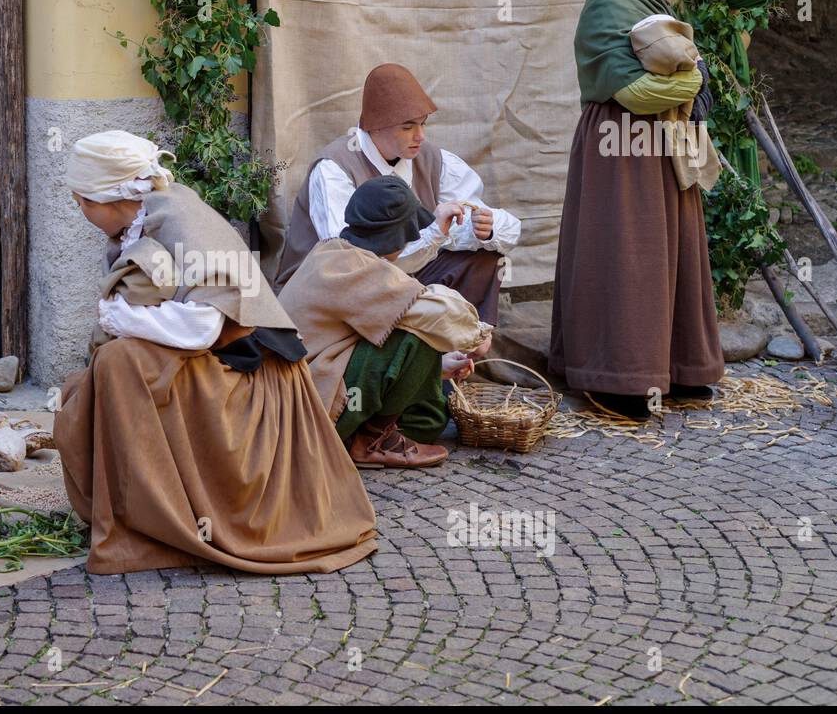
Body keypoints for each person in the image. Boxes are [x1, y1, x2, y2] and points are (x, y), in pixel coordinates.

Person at [53, 130, 378, 575]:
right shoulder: (146, 217)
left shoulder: (182, 222)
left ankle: (162, 515)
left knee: (120, 362)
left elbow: (203, 326)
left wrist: (123, 320)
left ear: (108, 198)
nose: (83, 214)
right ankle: (136, 503)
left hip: (253, 376)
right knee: (101, 374)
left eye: (83, 203)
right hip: (217, 360)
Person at [549, 0, 724, 421]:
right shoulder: (606, 7)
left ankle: (677, 368)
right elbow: (631, 91)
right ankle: (621, 376)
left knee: (672, 246)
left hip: (659, 143)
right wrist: (695, 76)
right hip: (620, 149)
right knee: (627, 253)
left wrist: (688, 76)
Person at [274, 63, 520, 328]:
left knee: (483, 259)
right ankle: (408, 353)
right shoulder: (335, 169)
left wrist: (486, 228)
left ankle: (461, 348)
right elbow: (350, 266)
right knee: (368, 278)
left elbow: (489, 226)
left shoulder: (432, 160)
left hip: (401, 277)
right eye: (408, 127)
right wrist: (433, 233)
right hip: (337, 291)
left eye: (423, 124)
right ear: (375, 126)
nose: (420, 136)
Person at [280, 176, 492, 468]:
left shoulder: (335, 252)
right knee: (416, 332)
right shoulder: (351, 269)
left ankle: (365, 435)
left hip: (303, 394)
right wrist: (479, 334)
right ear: (394, 236)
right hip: (308, 408)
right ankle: (370, 442)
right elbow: (436, 313)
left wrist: (436, 368)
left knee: (427, 421)